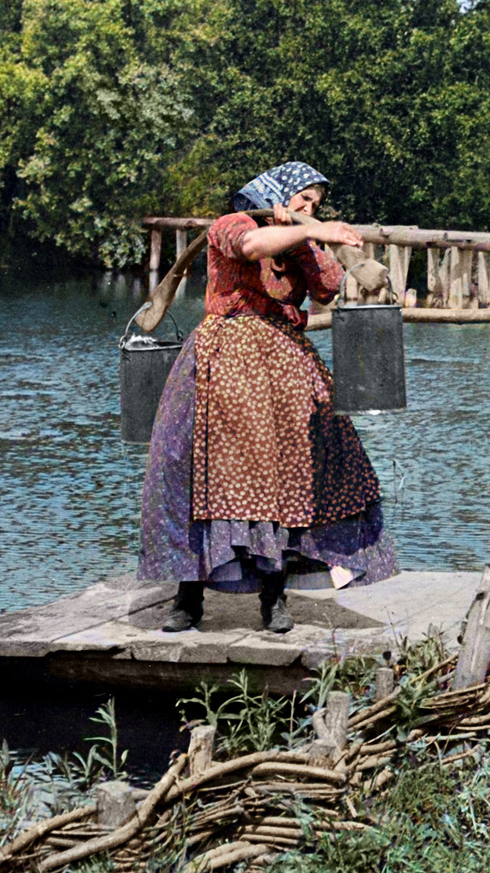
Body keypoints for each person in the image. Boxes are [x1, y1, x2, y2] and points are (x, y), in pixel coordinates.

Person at [138, 161, 398, 634]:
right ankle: (187, 599)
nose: (308, 208)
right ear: (276, 193)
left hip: (284, 368)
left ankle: (274, 598)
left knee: (288, 478)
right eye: (303, 198)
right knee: (204, 475)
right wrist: (307, 231)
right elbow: (251, 246)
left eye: (315, 204)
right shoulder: (231, 225)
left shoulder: (300, 245)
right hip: (223, 363)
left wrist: (331, 247)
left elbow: (334, 287)